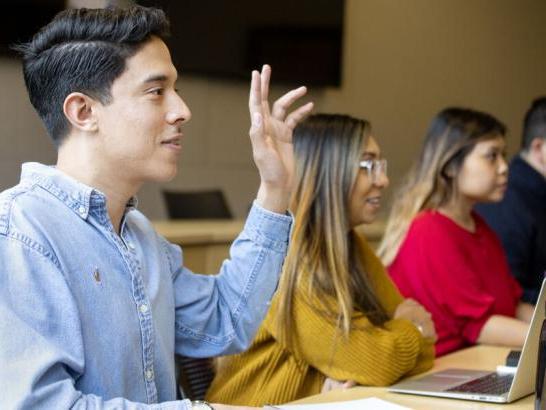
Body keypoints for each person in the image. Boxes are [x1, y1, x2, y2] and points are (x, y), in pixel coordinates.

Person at [0, 6, 314, 409]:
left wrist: (275, 188)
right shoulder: (18, 236)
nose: (182, 110)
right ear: (83, 111)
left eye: (176, 89)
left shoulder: (139, 235)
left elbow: (225, 321)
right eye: (156, 91)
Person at [206, 114, 436, 406]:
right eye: (367, 165)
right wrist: (410, 329)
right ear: (326, 172)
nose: (383, 180)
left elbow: (426, 350)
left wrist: (384, 353)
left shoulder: (352, 244)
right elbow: (378, 362)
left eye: (380, 165)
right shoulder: (288, 257)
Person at [379, 107, 534, 357]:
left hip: (477, 363)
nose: (505, 167)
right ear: (450, 166)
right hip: (439, 372)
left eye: (504, 155)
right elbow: (479, 327)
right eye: (492, 156)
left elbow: (513, 306)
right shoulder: (429, 231)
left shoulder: (479, 226)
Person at [476, 97, 546, 304]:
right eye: (492, 156)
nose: (502, 168)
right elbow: (509, 296)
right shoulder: (505, 198)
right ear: (539, 148)